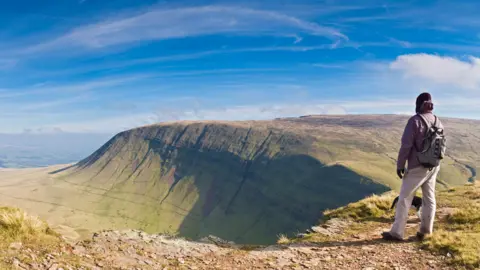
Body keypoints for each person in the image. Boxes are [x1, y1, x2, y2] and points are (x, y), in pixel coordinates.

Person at [382, 92, 444, 241]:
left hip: (417, 167)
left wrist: (400, 165)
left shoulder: (415, 121)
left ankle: (397, 233)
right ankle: (426, 231)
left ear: (419, 104)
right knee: (429, 198)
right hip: (433, 166)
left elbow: (406, 146)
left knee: (404, 198)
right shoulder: (438, 121)